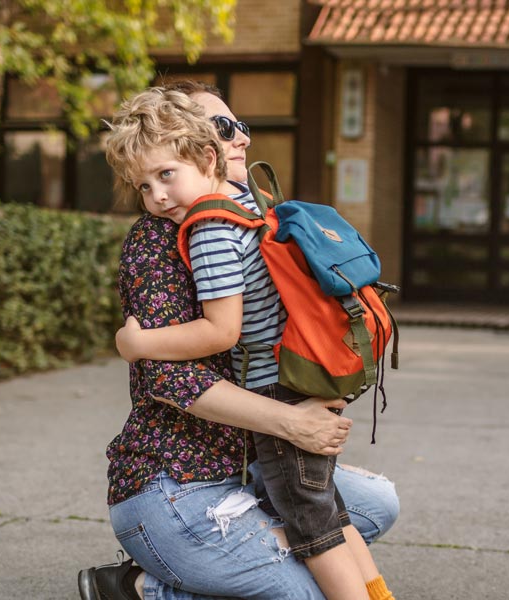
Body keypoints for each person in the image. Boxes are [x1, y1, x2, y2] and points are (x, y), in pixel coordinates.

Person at [79, 88, 398, 600]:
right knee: (315, 562)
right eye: (224, 127)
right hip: (179, 477)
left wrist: (309, 393)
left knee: (363, 511)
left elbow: (243, 324)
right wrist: (292, 418)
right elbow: (172, 376)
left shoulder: (239, 215)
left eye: (239, 126)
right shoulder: (170, 235)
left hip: (248, 456)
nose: (241, 138)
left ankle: (170, 582)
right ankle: (146, 588)